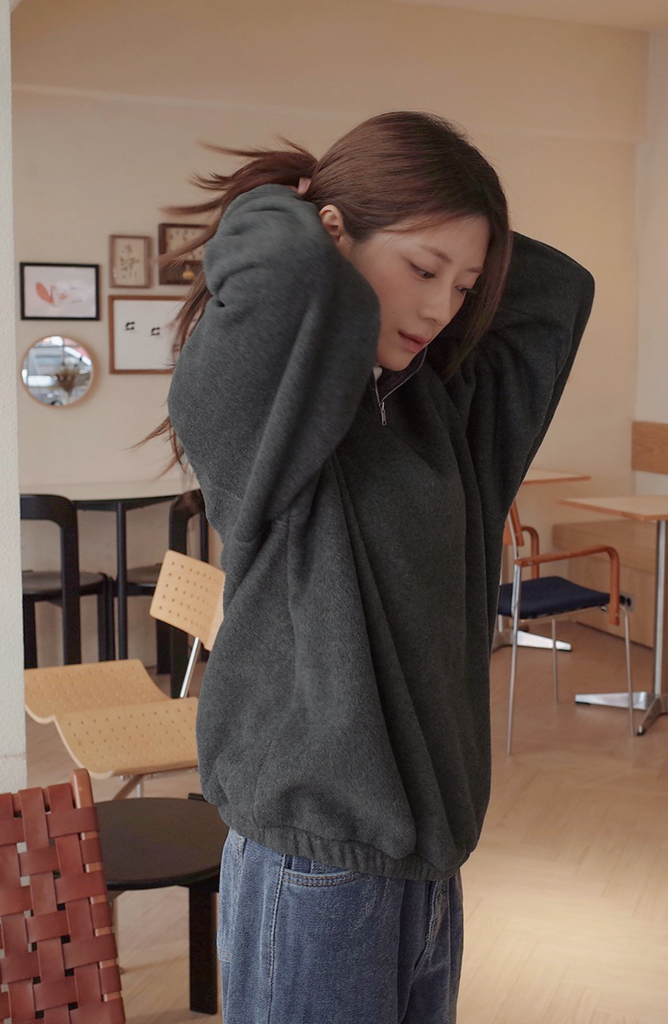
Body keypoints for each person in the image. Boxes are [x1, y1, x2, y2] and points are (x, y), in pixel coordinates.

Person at [160, 111, 594, 1023]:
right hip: (314, 859)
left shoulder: (437, 411)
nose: (441, 310)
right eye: (422, 270)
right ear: (330, 237)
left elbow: (556, 294)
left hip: (424, 858)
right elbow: (280, 270)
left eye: (463, 285)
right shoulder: (259, 418)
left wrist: (462, 237)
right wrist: (291, 204)